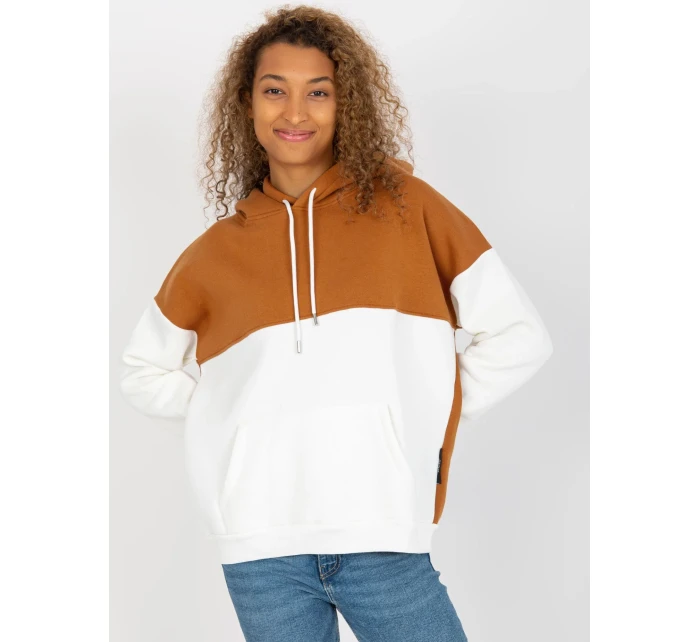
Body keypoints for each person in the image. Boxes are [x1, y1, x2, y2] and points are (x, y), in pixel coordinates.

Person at [119, 5, 554, 641]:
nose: (295, 112)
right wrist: (236, 426)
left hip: (382, 533)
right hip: (261, 549)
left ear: (346, 103)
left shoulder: (410, 210)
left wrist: (424, 413)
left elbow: (518, 336)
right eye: (275, 90)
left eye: (318, 92)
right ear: (247, 104)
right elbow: (143, 369)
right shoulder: (213, 255)